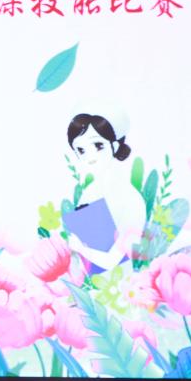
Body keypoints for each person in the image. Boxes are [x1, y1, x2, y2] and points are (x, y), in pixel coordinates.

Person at [64, 111, 145, 273]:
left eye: (98, 146)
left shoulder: (131, 199)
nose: (91, 156)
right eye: (81, 150)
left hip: (121, 282)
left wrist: (80, 248)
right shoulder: (88, 193)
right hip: (87, 279)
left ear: (114, 146)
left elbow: (112, 261)